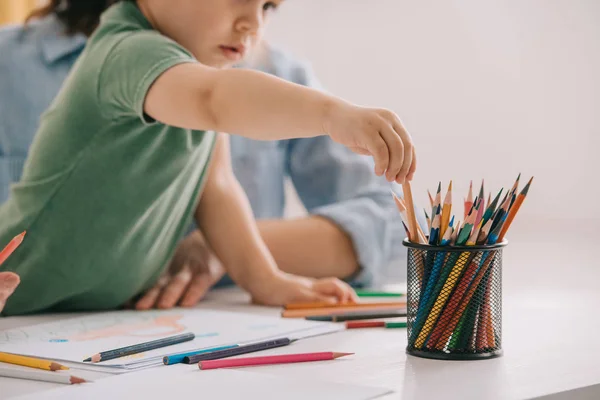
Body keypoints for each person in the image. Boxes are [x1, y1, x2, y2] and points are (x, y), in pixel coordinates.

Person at [0, 0, 415, 316]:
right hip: (17, 292)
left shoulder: (191, 70)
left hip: (78, 315)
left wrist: (266, 280)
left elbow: (216, 187)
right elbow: (214, 99)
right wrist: (329, 113)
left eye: (266, 5)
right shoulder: (127, 50)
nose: (253, 23)